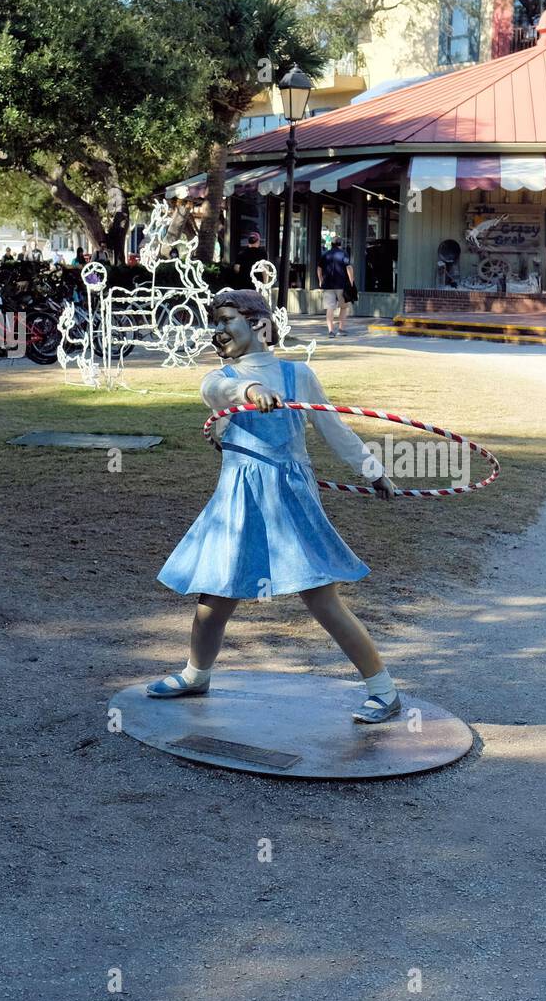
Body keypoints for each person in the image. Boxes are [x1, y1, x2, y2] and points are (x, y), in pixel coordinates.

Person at [148, 289, 401, 724]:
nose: (218, 329)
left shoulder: (297, 375)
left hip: (290, 499)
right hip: (237, 501)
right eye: (216, 322)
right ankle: (196, 674)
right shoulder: (220, 379)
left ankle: (384, 689)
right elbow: (219, 390)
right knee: (214, 598)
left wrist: (373, 469)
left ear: (259, 323)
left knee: (321, 597)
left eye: (228, 319)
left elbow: (333, 428)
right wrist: (248, 389)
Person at [317, 238, 354, 337]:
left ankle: (331, 331)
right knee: (343, 307)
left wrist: (320, 280)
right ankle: (341, 329)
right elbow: (349, 267)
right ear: (340, 244)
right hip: (341, 285)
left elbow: (319, 268)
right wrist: (351, 281)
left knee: (330, 308)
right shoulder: (343, 254)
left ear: (331, 244)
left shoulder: (325, 254)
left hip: (327, 285)